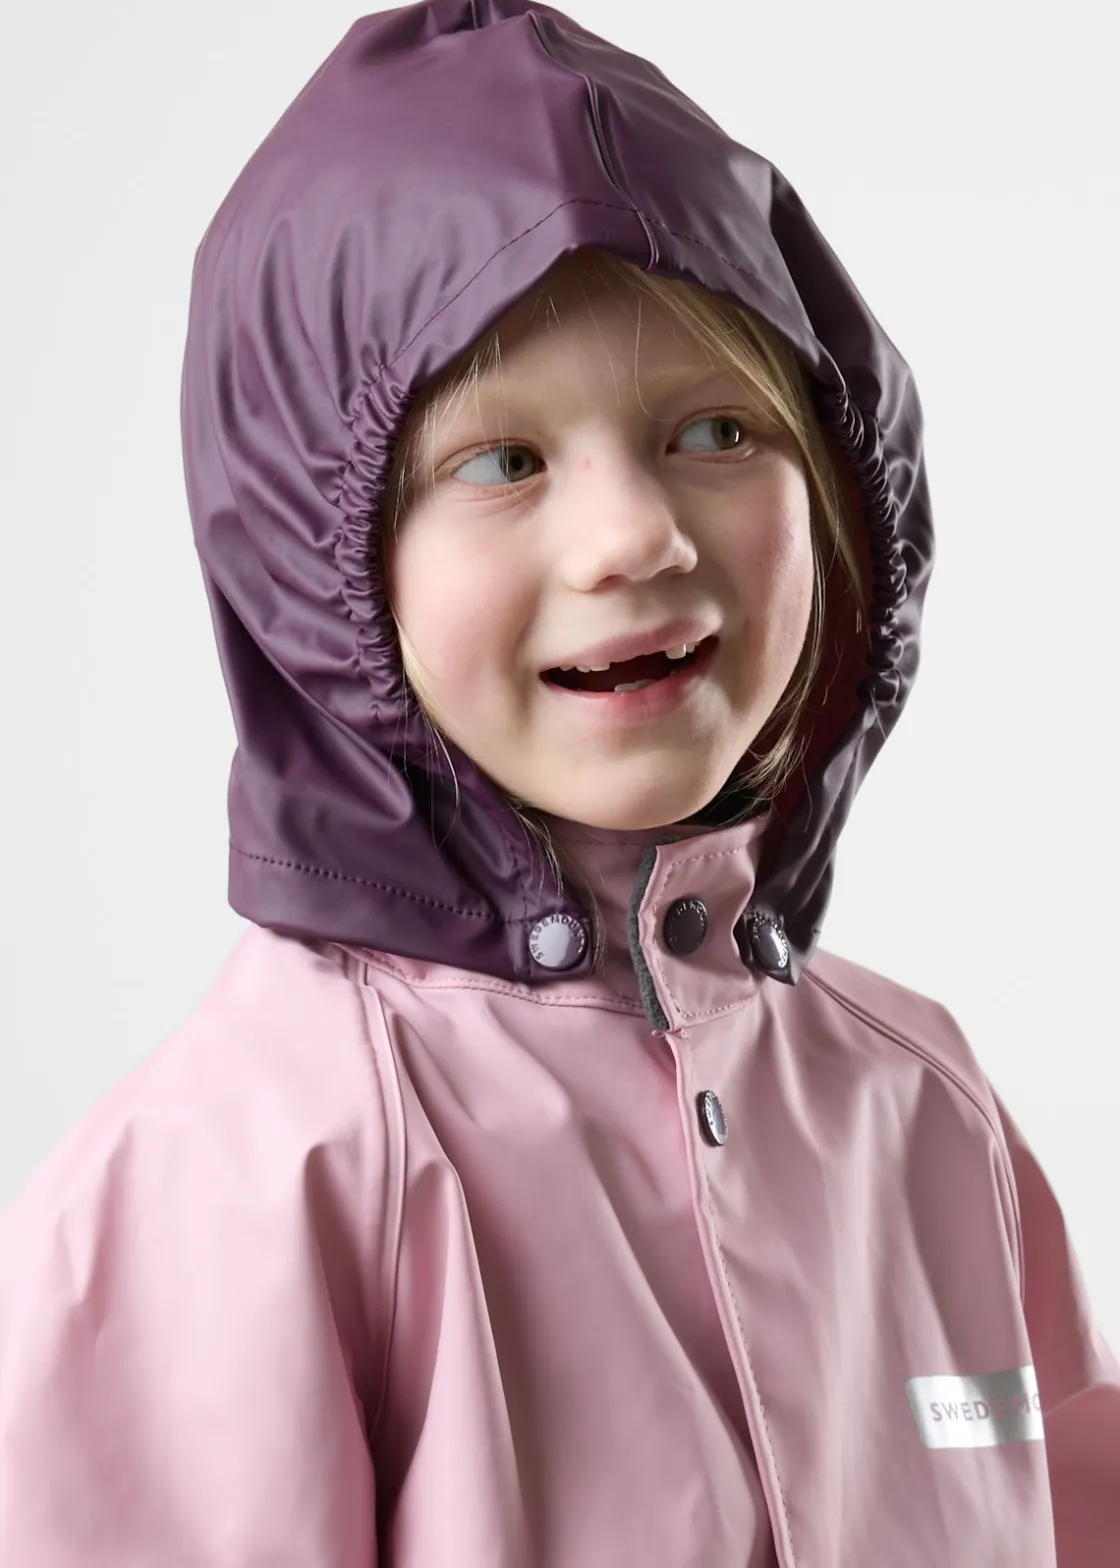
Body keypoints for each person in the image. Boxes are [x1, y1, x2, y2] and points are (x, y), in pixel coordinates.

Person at [1, 1, 1116, 1562]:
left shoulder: (920, 1104)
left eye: (715, 428)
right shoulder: (240, 1187)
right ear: (317, 566)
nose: (633, 537)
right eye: (500, 462)